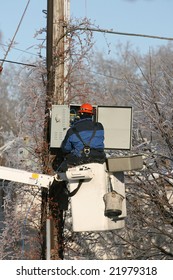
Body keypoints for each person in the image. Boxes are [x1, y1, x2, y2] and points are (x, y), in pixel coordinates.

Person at [58, 103, 106, 171]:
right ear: (91, 115)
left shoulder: (72, 130)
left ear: (80, 114)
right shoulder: (99, 127)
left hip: (79, 160)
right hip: (99, 159)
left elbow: (65, 149)